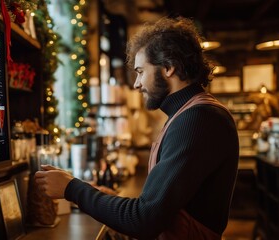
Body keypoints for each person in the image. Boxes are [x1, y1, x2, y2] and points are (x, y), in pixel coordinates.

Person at [35, 16, 239, 239]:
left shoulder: (199, 119)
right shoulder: (189, 114)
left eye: (141, 71)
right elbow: (162, 207)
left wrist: (72, 189)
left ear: (169, 67)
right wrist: (102, 196)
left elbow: (143, 219)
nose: (136, 83)